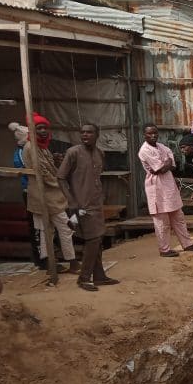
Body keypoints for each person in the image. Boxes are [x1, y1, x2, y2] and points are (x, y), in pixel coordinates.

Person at [58, 123, 120, 292]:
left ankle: (99, 276)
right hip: (81, 206)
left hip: (96, 204)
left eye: (89, 132)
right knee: (93, 239)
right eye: (83, 132)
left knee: (97, 239)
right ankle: (84, 278)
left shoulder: (100, 153)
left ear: (97, 134)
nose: (85, 135)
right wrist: (71, 202)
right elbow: (61, 178)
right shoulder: (73, 153)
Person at [22, 113, 80, 273]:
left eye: (45, 128)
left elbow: (49, 169)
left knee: (50, 230)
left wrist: (55, 164)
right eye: (39, 128)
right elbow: (44, 174)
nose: (43, 131)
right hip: (45, 195)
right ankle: (66, 262)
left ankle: (56, 263)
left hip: (48, 195)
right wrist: (62, 185)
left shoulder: (41, 147)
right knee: (56, 229)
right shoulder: (31, 147)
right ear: (31, 131)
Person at [138, 124, 193, 257]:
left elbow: (172, 165)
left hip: (169, 184)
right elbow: (159, 169)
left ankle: (187, 244)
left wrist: (167, 164)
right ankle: (164, 249)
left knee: (178, 216)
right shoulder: (144, 150)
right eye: (149, 133)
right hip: (156, 187)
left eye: (155, 133)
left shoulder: (162, 147)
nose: (153, 135)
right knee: (162, 221)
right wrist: (166, 163)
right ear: (144, 135)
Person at [9, 122, 42, 266]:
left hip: (32, 190)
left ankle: (41, 257)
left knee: (37, 225)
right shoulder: (23, 152)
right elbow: (30, 169)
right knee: (36, 225)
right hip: (30, 191)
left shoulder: (23, 151)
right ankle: (40, 259)